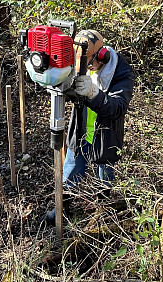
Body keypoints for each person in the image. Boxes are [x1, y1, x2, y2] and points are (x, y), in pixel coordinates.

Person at [43, 29, 134, 223]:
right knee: (70, 170)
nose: (87, 68)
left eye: (90, 63)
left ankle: (103, 209)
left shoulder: (122, 72)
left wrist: (93, 92)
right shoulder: (81, 61)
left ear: (102, 56)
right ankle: (62, 207)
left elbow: (117, 108)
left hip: (106, 133)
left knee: (104, 175)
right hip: (82, 128)